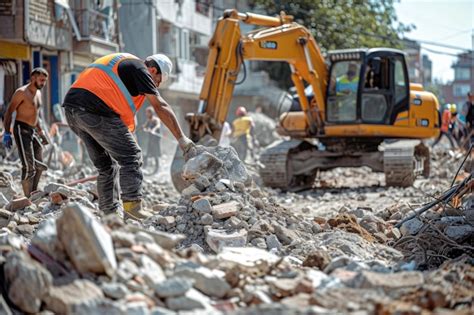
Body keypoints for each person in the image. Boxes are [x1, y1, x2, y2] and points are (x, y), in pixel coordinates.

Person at [62, 53, 195, 220]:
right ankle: (133, 208)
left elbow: (122, 119)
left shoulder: (123, 67)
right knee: (131, 157)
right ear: (153, 70)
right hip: (95, 110)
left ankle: (109, 215)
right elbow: (160, 105)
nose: (155, 86)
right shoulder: (140, 69)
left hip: (72, 110)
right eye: (158, 81)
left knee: (106, 166)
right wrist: (182, 139)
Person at [2, 68, 49, 197]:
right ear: (33, 78)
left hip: (32, 130)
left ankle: (33, 193)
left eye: (45, 81)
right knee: (28, 166)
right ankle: (28, 198)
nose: (43, 83)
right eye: (41, 80)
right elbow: (9, 112)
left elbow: (36, 115)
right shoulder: (21, 93)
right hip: (21, 129)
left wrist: (41, 132)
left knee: (39, 164)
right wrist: (7, 132)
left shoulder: (38, 93)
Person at [142, 107, 162, 174]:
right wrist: (145, 128)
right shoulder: (148, 120)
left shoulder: (156, 119)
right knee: (147, 153)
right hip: (151, 140)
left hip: (155, 140)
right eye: (146, 112)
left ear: (151, 112)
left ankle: (157, 169)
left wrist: (153, 130)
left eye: (147, 112)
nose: (146, 114)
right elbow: (145, 127)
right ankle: (144, 167)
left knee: (155, 154)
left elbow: (158, 125)